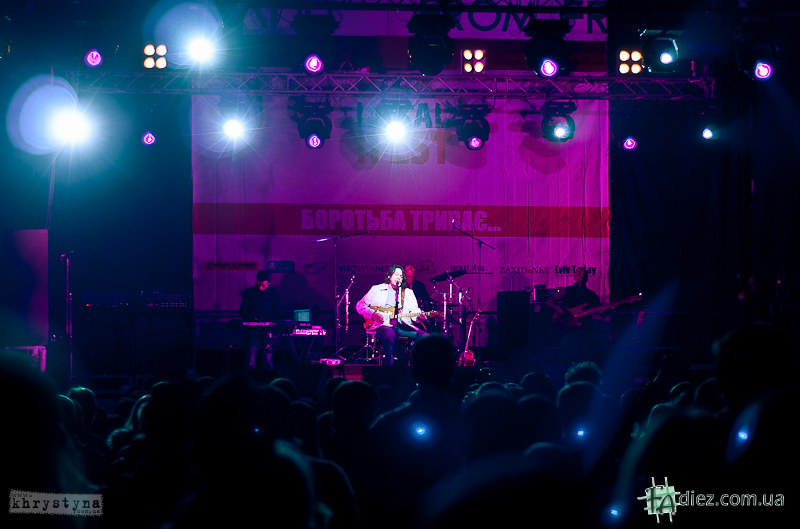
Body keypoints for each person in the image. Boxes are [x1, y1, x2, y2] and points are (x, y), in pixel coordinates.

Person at [356, 265, 429, 366]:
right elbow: (360, 305)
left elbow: (414, 311)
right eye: (396, 274)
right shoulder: (377, 289)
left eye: (401, 276)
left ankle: (419, 367)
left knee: (427, 338)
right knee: (389, 335)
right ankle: (389, 369)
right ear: (389, 276)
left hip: (403, 327)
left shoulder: (407, 293)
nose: (399, 277)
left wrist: (419, 317)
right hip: (382, 326)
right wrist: (373, 314)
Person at [546, 266, 601, 362]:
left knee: (586, 356)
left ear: (587, 278)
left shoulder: (591, 294)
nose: (582, 275)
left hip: (585, 329)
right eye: (579, 273)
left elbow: (601, 312)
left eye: (584, 274)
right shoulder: (566, 290)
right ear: (574, 277)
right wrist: (558, 309)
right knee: (565, 355)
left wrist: (611, 308)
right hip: (568, 328)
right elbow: (549, 301)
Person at [239, 270, 283, 369]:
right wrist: (251, 319)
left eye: (263, 285)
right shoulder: (249, 292)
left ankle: (268, 377)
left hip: (267, 330)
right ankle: (250, 377)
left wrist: (286, 321)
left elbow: (277, 311)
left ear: (269, 283)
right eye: (259, 284)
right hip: (252, 330)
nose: (260, 287)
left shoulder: (272, 294)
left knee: (268, 359)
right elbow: (242, 311)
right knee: (251, 360)